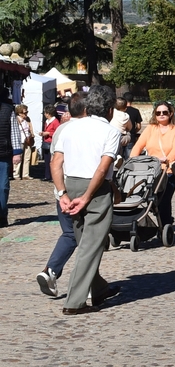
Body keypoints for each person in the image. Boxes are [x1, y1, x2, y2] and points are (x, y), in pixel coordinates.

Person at [51, 85, 123, 314]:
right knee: (90, 247)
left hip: (71, 183)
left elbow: (56, 163)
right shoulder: (110, 131)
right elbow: (102, 169)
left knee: (85, 241)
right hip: (95, 188)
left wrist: (62, 193)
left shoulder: (69, 127)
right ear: (110, 109)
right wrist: (87, 196)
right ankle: (74, 302)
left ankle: (99, 288)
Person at [35, 92, 87, 298]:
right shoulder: (88, 129)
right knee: (88, 238)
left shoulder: (61, 129)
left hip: (62, 188)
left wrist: (60, 191)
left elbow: (54, 162)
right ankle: (87, 285)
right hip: (82, 188)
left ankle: (51, 271)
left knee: (70, 234)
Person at [131, 101, 175, 225]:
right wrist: (132, 160)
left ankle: (165, 225)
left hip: (169, 170)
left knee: (164, 200)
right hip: (151, 170)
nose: (161, 115)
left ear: (170, 114)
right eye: (158, 113)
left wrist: (166, 160)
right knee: (149, 199)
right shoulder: (151, 128)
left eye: (164, 112)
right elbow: (138, 145)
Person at [0, 86, 18, 226]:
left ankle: (2, 215)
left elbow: (14, 131)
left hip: (3, 153)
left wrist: (17, 152)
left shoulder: (8, 110)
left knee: (3, 187)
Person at [40, 105, 60, 181]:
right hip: (46, 142)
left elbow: (57, 132)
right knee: (47, 161)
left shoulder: (55, 122)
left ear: (48, 113)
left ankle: (52, 176)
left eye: (45, 113)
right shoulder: (47, 121)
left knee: (52, 161)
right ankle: (47, 175)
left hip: (52, 142)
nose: (44, 114)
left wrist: (48, 133)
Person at [13, 104, 33, 179]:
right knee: (18, 157)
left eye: (27, 112)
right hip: (20, 140)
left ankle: (25, 174)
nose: (26, 114)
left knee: (27, 157)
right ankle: (16, 174)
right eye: (25, 112)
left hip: (27, 140)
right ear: (19, 113)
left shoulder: (27, 119)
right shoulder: (16, 119)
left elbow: (30, 128)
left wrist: (32, 135)